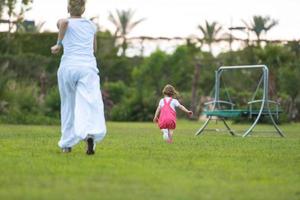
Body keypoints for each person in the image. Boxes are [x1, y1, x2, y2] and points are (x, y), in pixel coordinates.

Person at [51, 0, 106, 155]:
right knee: (89, 104)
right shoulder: (91, 26)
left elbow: (63, 23)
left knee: (68, 105)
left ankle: (66, 145)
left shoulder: (65, 21)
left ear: (68, 7)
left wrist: (59, 44)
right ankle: (90, 136)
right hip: (87, 68)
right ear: (84, 9)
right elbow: (94, 49)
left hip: (68, 67)